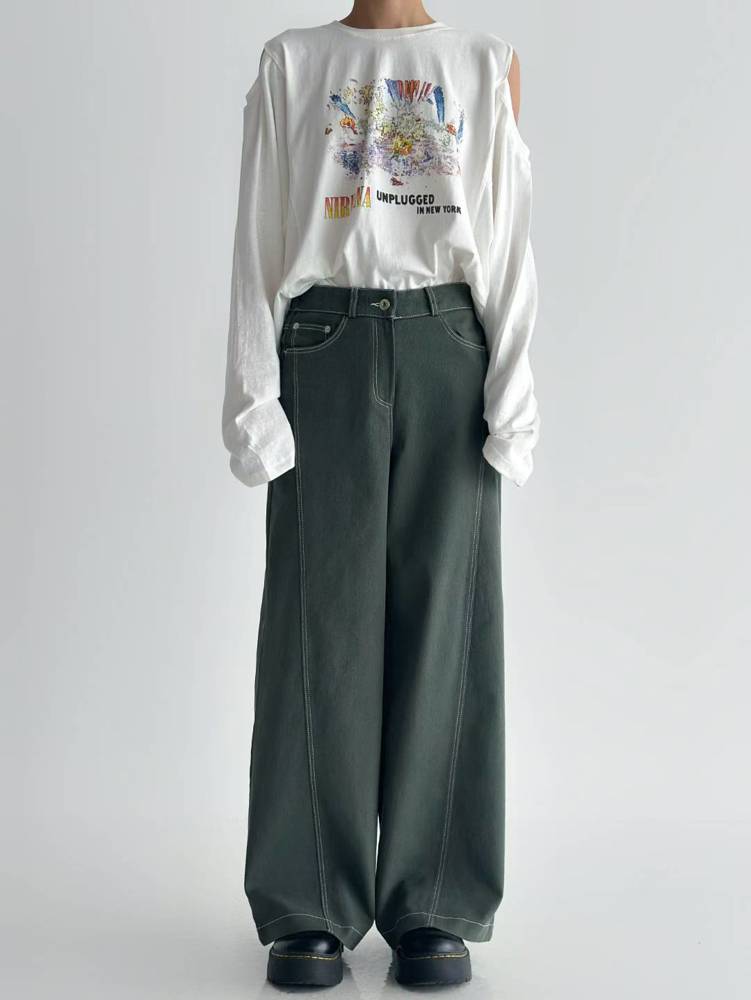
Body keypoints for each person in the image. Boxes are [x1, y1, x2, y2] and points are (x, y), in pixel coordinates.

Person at [221, 1, 539, 988]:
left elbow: (506, 233)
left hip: (450, 339)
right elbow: (259, 231)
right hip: (323, 339)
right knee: (317, 626)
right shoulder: (291, 61)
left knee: (448, 625)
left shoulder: (484, 62)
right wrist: (252, 402)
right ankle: (307, 905)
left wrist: (512, 392)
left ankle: (433, 901)